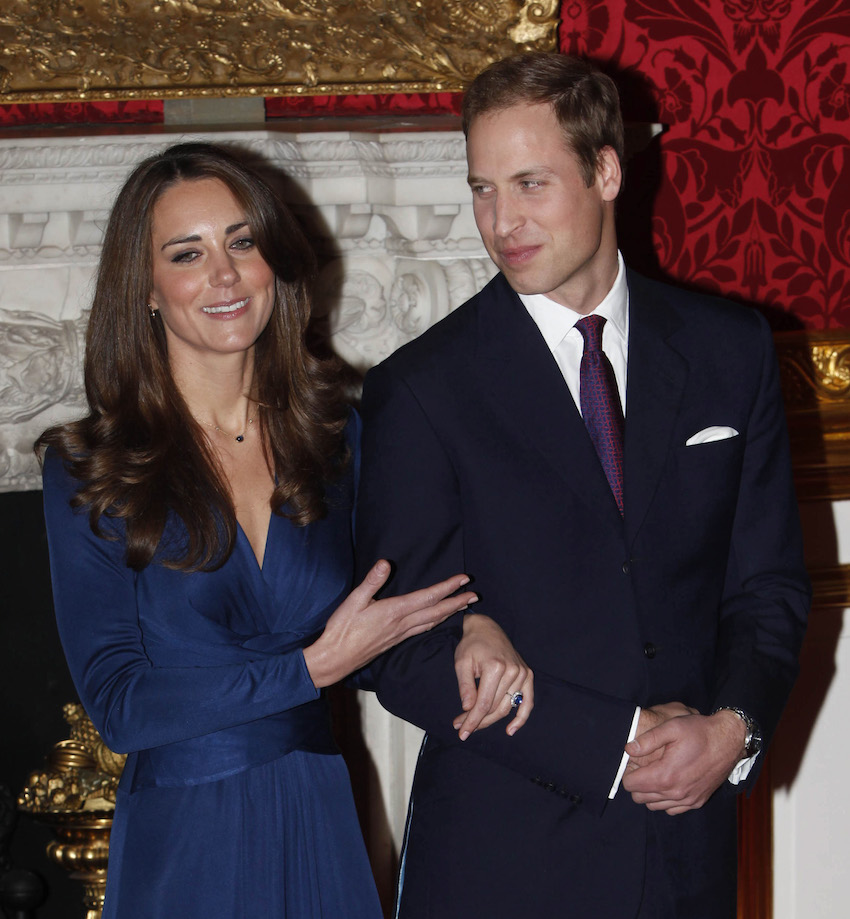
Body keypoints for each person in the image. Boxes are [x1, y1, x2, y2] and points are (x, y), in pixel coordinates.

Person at [355, 52, 810, 918]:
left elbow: (767, 588)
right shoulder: (421, 387)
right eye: (482, 188)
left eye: (530, 183)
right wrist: (620, 743)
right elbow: (400, 646)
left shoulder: (730, 349)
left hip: (686, 853)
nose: (502, 220)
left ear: (607, 170)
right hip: (502, 860)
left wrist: (732, 731)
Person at [36, 142, 480, 919]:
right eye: (187, 253)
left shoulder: (336, 437)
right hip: (184, 841)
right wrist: (309, 669)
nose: (225, 274)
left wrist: (480, 629)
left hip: (318, 814)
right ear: (144, 287)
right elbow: (121, 705)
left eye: (242, 241)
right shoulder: (90, 466)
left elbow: (392, 623)